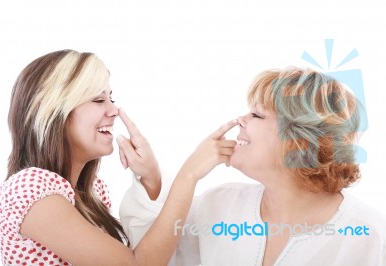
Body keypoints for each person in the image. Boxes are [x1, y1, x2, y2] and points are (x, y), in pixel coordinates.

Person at [0, 49, 238, 266]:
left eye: (112, 98)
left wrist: (150, 175)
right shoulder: (28, 189)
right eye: (99, 100)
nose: (114, 111)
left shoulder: (94, 192)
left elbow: (150, 248)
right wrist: (189, 174)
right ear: (55, 112)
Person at [121, 67, 386, 265]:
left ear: (299, 141)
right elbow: (154, 256)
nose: (240, 120)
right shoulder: (219, 204)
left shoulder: (371, 237)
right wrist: (168, 176)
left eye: (257, 114)